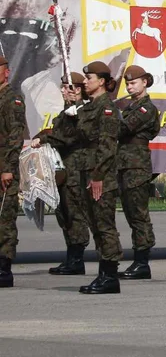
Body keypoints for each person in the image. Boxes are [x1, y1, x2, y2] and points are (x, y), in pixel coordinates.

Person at [48, 61, 123, 294]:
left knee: (104, 225)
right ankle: (104, 274)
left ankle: (110, 275)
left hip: (100, 174)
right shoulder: (89, 108)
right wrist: (72, 109)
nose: (86, 81)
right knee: (95, 224)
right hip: (87, 171)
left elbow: (107, 145)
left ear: (101, 81)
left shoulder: (107, 108)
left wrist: (98, 175)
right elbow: (72, 134)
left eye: (89, 78)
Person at [116, 66, 161, 280]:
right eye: (128, 83)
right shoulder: (132, 106)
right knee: (131, 213)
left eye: (134, 83)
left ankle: (142, 261)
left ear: (145, 82)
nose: (129, 86)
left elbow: (124, 128)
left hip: (136, 165)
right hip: (126, 163)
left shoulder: (146, 109)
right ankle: (139, 260)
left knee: (139, 214)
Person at [44, 73, 91, 276]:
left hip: (76, 167)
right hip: (63, 167)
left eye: (67, 88)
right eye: (62, 87)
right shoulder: (67, 112)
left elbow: (70, 138)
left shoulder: (82, 111)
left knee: (74, 212)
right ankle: (70, 255)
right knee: (63, 211)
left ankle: (77, 258)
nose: (63, 91)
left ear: (78, 90)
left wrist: (46, 138)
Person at [0, 54, 26, 288]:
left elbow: (15, 137)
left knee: (4, 220)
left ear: (6, 72)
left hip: (4, 170)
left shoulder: (11, 99)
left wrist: (7, 169)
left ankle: (4, 269)